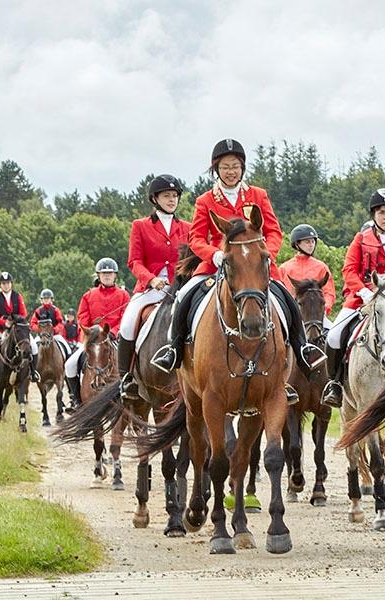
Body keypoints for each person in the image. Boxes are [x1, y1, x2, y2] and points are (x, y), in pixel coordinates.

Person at [150, 138, 327, 382]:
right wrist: (215, 255)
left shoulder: (258, 195)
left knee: (286, 298)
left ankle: (301, 348)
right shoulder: (205, 201)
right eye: (225, 167)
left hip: (255, 266)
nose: (231, 172)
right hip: (216, 266)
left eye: (235, 166)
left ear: (242, 168)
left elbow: (274, 232)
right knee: (184, 295)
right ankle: (174, 350)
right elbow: (197, 238)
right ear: (216, 170)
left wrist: (263, 256)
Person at [320, 189, 385, 407]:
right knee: (334, 336)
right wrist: (363, 291)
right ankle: (335, 384)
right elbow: (349, 269)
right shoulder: (361, 239)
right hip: (362, 299)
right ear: (374, 215)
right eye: (382, 212)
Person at [117, 174, 190, 399]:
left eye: (175, 196)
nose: (171, 200)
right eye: (166, 196)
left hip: (180, 288)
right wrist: (151, 279)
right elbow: (134, 261)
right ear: (154, 199)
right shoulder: (140, 226)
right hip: (150, 289)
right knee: (128, 323)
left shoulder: (187, 227)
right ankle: (126, 379)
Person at [63, 258, 131, 410]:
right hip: (92, 341)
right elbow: (82, 318)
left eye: (110, 273)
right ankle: (75, 400)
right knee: (70, 364)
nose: (107, 276)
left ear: (115, 276)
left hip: (114, 339)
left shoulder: (124, 296)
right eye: (104, 273)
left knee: (133, 362)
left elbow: (125, 318)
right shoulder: (88, 295)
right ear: (98, 276)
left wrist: (113, 331)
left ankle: (132, 396)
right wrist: (92, 333)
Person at [0, 272, 39, 384]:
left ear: (11, 284)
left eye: (8, 283)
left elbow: (23, 313)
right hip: (0, 328)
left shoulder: (18, 296)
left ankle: (33, 372)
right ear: (0, 285)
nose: (6, 285)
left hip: (17, 328)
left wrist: (14, 321)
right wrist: (5, 322)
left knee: (34, 347)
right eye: (3, 283)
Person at [279, 224, 336, 318]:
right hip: (291, 316)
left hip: (316, 315)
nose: (311, 245)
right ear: (297, 244)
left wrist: (325, 308)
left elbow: (329, 293)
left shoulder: (321, 267)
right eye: (307, 242)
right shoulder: (284, 268)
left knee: (334, 332)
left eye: (313, 241)